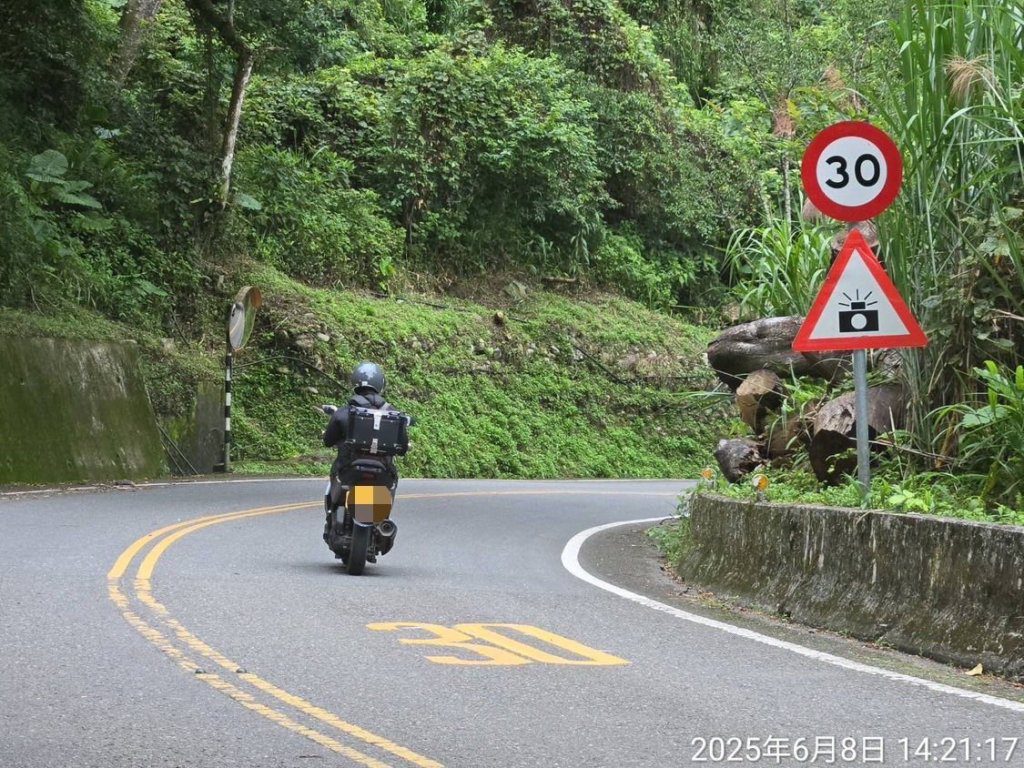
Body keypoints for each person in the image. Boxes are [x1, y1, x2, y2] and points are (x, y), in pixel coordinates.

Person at [322, 361, 401, 498]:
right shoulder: (393, 414)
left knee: (337, 473)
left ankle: (333, 512)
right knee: (391, 481)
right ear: (381, 383)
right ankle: (382, 515)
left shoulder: (344, 412)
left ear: (355, 381)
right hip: (383, 473)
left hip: (348, 470)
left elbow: (328, 441)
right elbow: (403, 447)